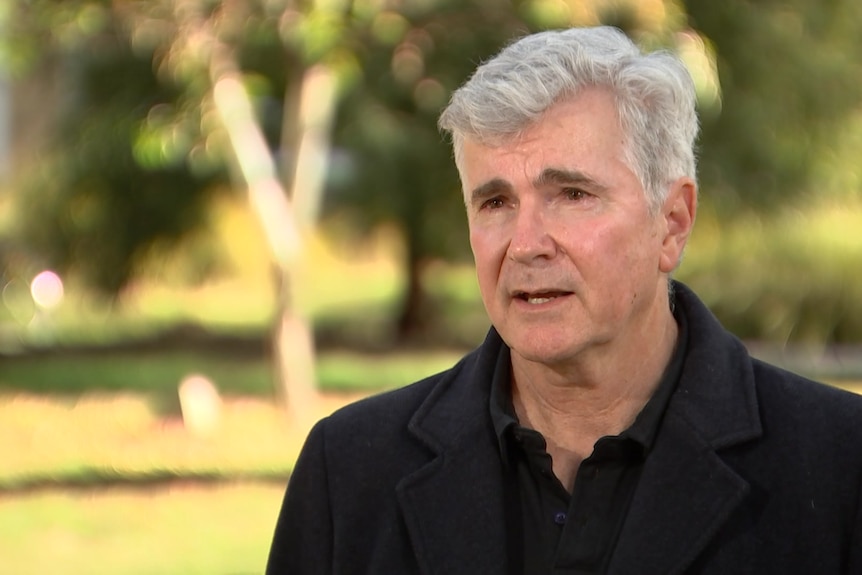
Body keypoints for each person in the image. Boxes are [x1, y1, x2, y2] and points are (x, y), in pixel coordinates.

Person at [266, 26, 862, 575]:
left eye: (572, 194)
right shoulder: (348, 473)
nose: (525, 244)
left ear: (673, 222)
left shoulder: (838, 466)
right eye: (495, 202)